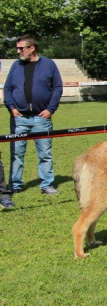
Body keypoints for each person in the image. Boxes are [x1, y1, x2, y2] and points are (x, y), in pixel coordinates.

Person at [4, 34, 62, 195]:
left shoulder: (49, 64)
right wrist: (12, 108)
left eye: (21, 48)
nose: (18, 51)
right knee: (16, 153)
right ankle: (15, 185)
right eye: (17, 48)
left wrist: (50, 109)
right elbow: (8, 88)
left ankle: (46, 184)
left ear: (32, 48)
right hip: (19, 118)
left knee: (45, 154)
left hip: (41, 118)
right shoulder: (16, 65)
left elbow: (57, 88)